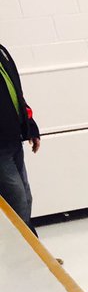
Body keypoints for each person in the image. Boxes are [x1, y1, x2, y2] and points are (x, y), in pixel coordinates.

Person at [0, 39, 40, 230]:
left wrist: (30, 126)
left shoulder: (2, 52)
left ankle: (33, 254)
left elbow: (17, 94)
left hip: (14, 141)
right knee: (17, 203)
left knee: (25, 199)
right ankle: (31, 258)